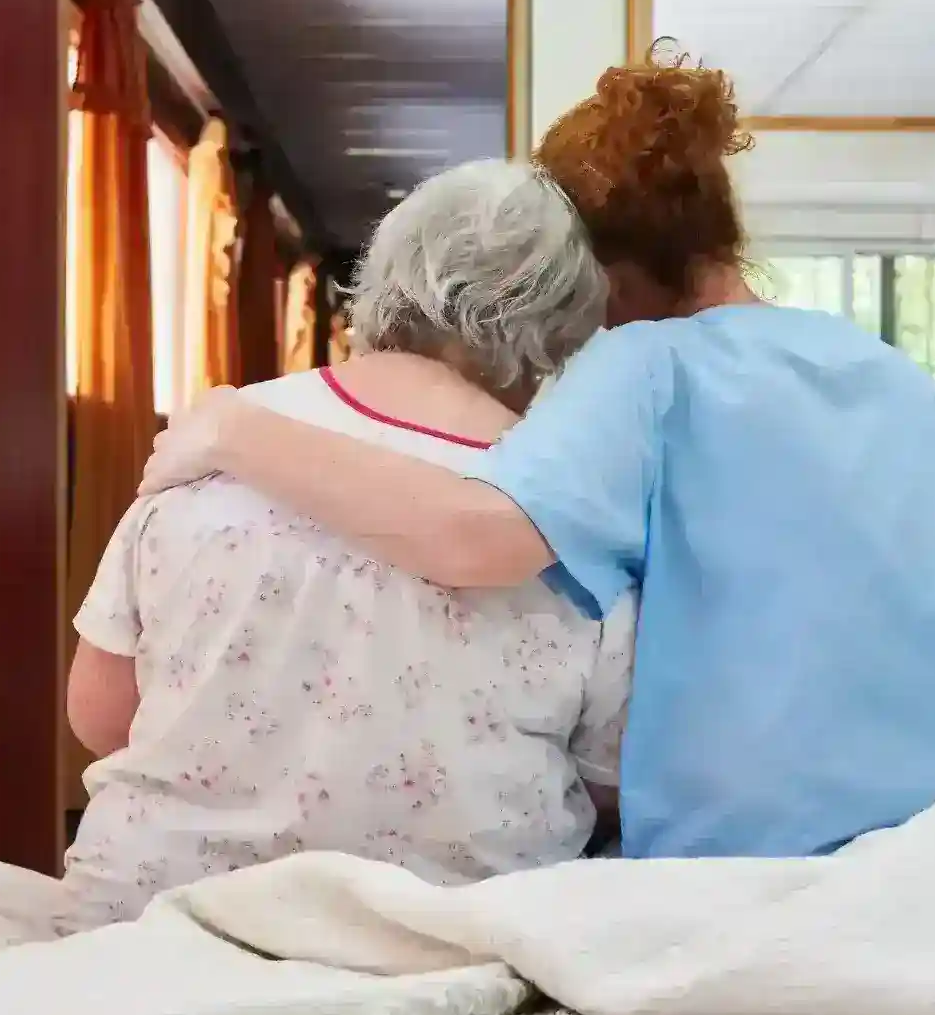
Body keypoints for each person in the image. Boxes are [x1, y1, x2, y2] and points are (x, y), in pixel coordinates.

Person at [140, 50, 935, 862]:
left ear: (599, 279)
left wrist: (234, 427)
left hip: (763, 863)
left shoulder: (648, 365)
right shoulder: (909, 386)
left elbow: (471, 539)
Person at [35, 159, 633, 940]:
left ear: (382, 278)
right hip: (444, 944)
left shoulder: (204, 442)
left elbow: (102, 716)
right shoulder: (571, 511)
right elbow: (610, 780)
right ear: (562, 334)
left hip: (153, 924)